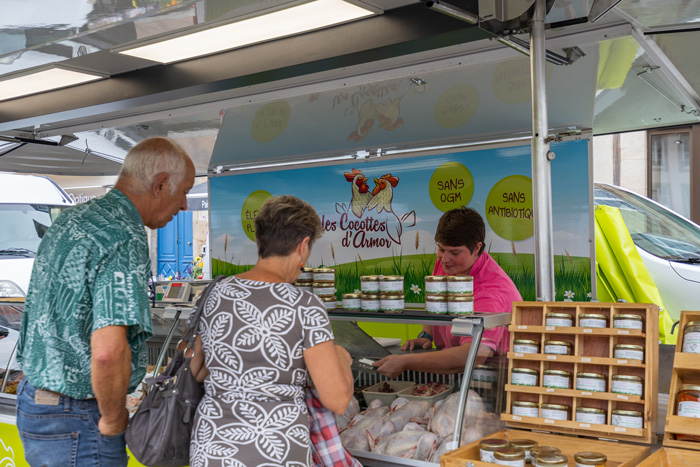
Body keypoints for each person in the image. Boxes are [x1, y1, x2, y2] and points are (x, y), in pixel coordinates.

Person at [15, 137, 196, 467]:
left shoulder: (72, 220)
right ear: (160, 184)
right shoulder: (123, 235)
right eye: (184, 191)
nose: (184, 205)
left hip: (35, 403)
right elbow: (108, 351)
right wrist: (113, 420)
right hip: (79, 416)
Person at [189, 195, 354, 467]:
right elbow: (336, 399)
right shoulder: (305, 306)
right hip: (276, 449)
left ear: (260, 240)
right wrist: (340, 357)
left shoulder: (214, 293)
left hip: (211, 445)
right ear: (303, 246)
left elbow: (196, 367)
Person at [373, 207, 522, 378]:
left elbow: (474, 355)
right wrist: (426, 335)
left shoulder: (491, 290)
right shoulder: (452, 264)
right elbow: (436, 302)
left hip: (493, 377)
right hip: (454, 370)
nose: (445, 260)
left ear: (476, 248)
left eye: (454, 252)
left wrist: (406, 362)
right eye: (441, 249)